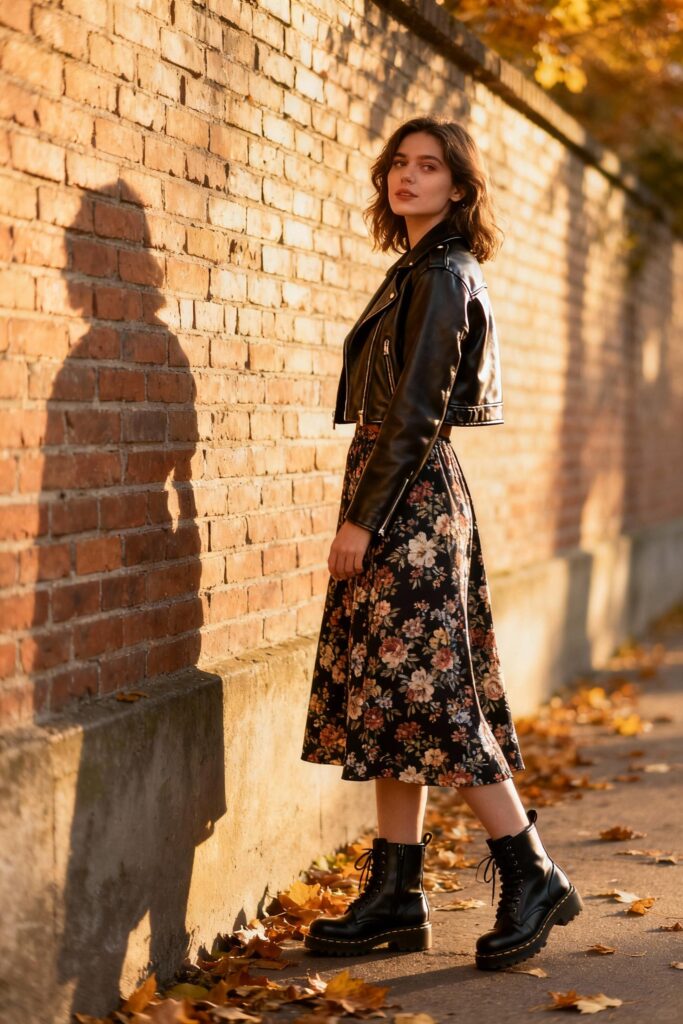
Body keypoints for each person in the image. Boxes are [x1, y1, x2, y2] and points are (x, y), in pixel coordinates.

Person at [300, 116, 582, 969]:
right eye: (399, 162)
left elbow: (418, 410)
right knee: (395, 698)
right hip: (399, 493)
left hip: (408, 502)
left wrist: (364, 518)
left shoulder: (446, 273)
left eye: (429, 166)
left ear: (458, 187)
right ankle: (396, 894)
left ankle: (529, 871)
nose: (407, 176)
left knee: (436, 698)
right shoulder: (415, 269)